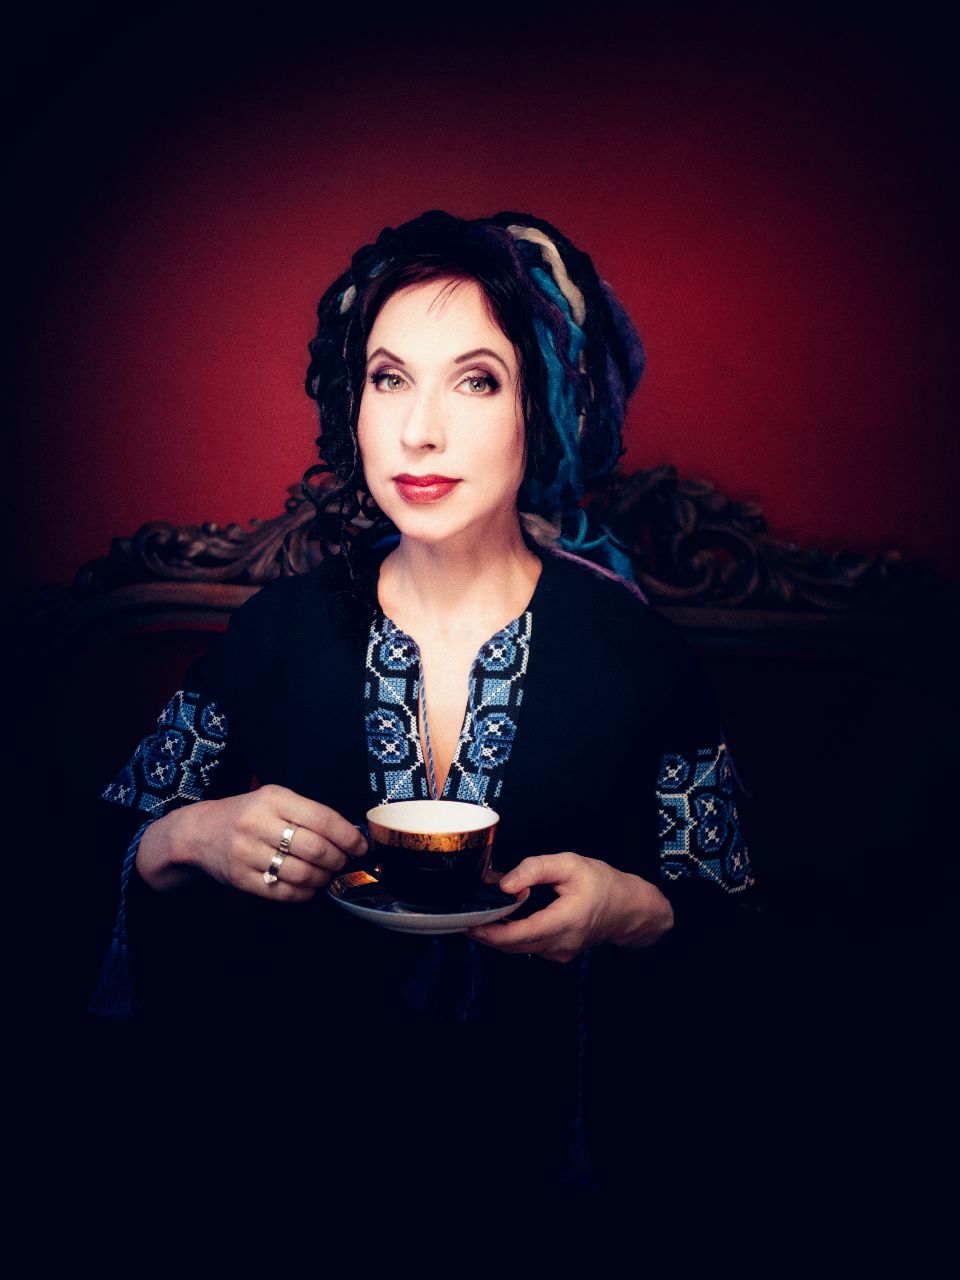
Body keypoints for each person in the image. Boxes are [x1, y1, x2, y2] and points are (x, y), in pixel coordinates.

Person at [91, 210, 756, 1203]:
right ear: (352, 406)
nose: (419, 431)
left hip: (553, 1169)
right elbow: (86, 851)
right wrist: (189, 837)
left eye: (476, 380)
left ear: (546, 405)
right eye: (390, 378)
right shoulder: (274, 632)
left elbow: (735, 921)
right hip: (289, 1156)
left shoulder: (640, 654)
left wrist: (635, 912)